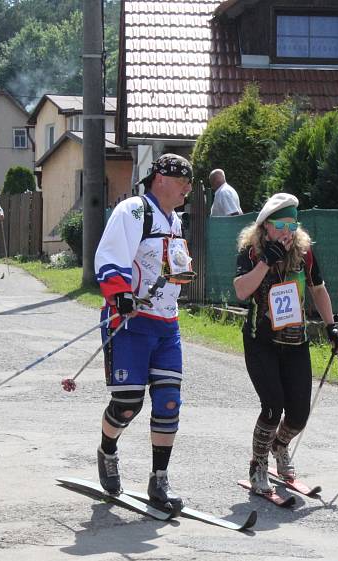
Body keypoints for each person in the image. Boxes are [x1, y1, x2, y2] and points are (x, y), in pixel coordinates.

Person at [93, 152, 194, 511]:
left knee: (168, 403)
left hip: (167, 325)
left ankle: (159, 481)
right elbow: (109, 256)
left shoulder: (176, 221)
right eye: (184, 181)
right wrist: (120, 296)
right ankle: (107, 450)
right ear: (161, 179)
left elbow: (174, 266)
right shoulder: (134, 210)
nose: (188, 188)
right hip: (131, 325)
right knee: (127, 405)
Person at [232, 192, 338, 495]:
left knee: (298, 413)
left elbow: (318, 290)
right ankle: (257, 465)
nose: (287, 232)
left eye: (292, 226)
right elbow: (242, 290)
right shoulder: (251, 251)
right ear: (265, 226)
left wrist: (332, 326)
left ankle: (279, 446)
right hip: (261, 340)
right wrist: (266, 262)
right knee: (272, 407)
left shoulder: (303, 252)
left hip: (295, 340)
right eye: (281, 225)